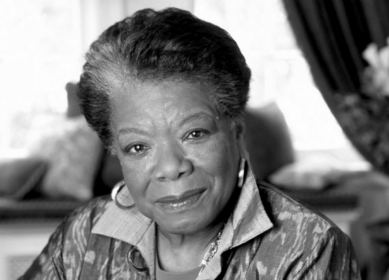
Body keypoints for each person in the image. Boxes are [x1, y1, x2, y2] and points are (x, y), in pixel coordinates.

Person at [20, 8, 360, 280]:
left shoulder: (308, 246)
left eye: (194, 134)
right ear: (116, 152)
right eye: (138, 147)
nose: (171, 167)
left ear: (236, 131)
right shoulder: (83, 234)